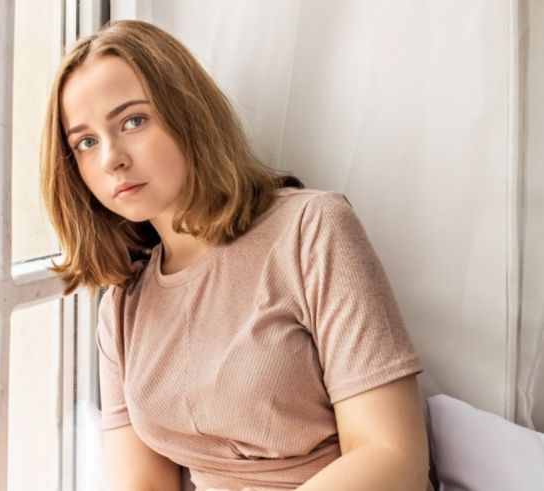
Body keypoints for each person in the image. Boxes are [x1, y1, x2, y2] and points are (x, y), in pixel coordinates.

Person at [40, 20, 432, 491]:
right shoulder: (123, 308)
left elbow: (393, 457)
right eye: (86, 142)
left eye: (133, 121)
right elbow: (142, 485)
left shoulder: (312, 229)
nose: (111, 159)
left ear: (188, 112)